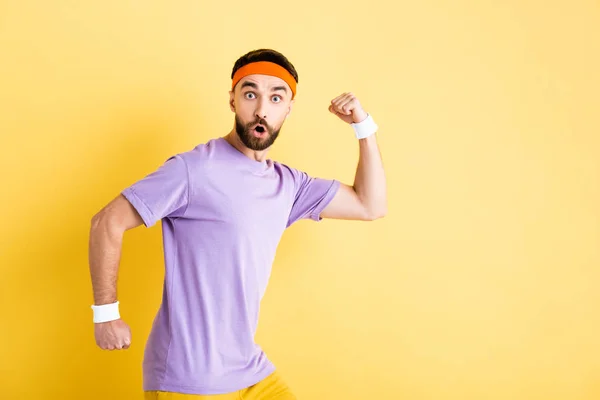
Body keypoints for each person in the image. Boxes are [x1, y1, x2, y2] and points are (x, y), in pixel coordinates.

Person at [88, 48, 387, 399]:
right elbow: (105, 222)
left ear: (288, 108)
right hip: (189, 377)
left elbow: (371, 204)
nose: (261, 108)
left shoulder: (288, 185)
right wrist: (105, 314)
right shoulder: (194, 169)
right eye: (250, 94)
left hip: (249, 370)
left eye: (276, 97)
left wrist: (362, 125)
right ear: (232, 100)